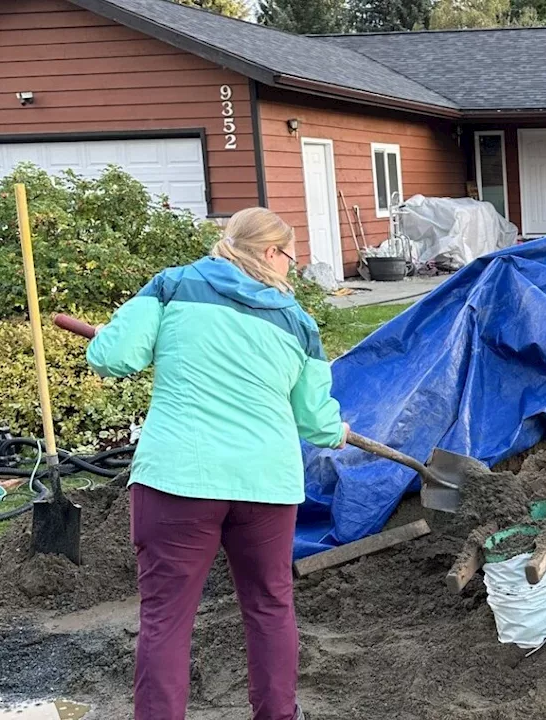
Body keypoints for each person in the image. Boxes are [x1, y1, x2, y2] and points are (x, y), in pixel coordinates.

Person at [85, 207, 349, 720]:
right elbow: (315, 420)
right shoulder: (298, 323)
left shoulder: (172, 288)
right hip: (265, 486)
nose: (292, 269)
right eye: (291, 258)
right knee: (271, 609)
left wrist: (108, 337)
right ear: (270, 253)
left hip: (179, 481)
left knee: (165, 618)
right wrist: (334, 430)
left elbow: (114, 358)